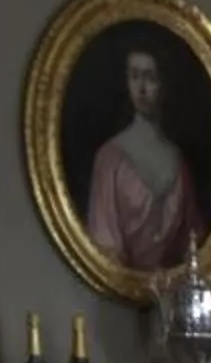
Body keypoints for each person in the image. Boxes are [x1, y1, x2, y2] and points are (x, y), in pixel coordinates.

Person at [84, 37, 200, 272]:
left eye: (150, 77)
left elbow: (192, 244)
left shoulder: (177, 161)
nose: (142, 88)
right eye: (135, 76)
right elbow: (104, 246)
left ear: (164, 83)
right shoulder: (109, 158)